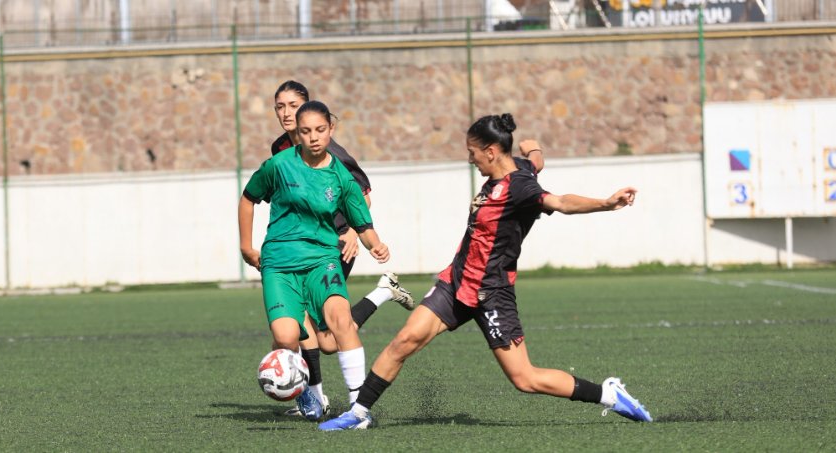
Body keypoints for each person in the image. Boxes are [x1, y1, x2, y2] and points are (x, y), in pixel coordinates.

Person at [319, 113, 652, 431]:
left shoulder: (521, 187)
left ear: (491, 152)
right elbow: (535, 160)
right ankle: (359, 413)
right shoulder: (518, 167)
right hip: (455, 282)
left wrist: (607, 203)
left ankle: (608, 394)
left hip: (492, 292)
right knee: (405, 339)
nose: (470, 160)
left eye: (472, 153)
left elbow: (561, 202)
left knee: (525, 379)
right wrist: (532, 147)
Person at [266, 81, 415, 419]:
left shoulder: (334, 153)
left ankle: (316, 401)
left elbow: (361, 194)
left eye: (293, 105)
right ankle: (382, 293)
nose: (286, 113)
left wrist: (349, 230)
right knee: (326, 340)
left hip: (331, 245)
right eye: (280, 106)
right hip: (297, 247)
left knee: (317, 330)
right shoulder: (279, 148)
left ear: (308, 108)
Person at [238, 100, 391, 423]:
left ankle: (357, 408)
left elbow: (362, 224)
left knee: (339, 321)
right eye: (306, 131)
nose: (313, 137)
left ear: (331, 129)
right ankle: (306, 392)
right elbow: (248, 197)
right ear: (299, 132)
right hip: (279, 263)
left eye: (320, 130)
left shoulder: (341, 176)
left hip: (323, 259)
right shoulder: (278, 165)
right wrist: (246, 246)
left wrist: (376, 245)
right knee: (285, 336)